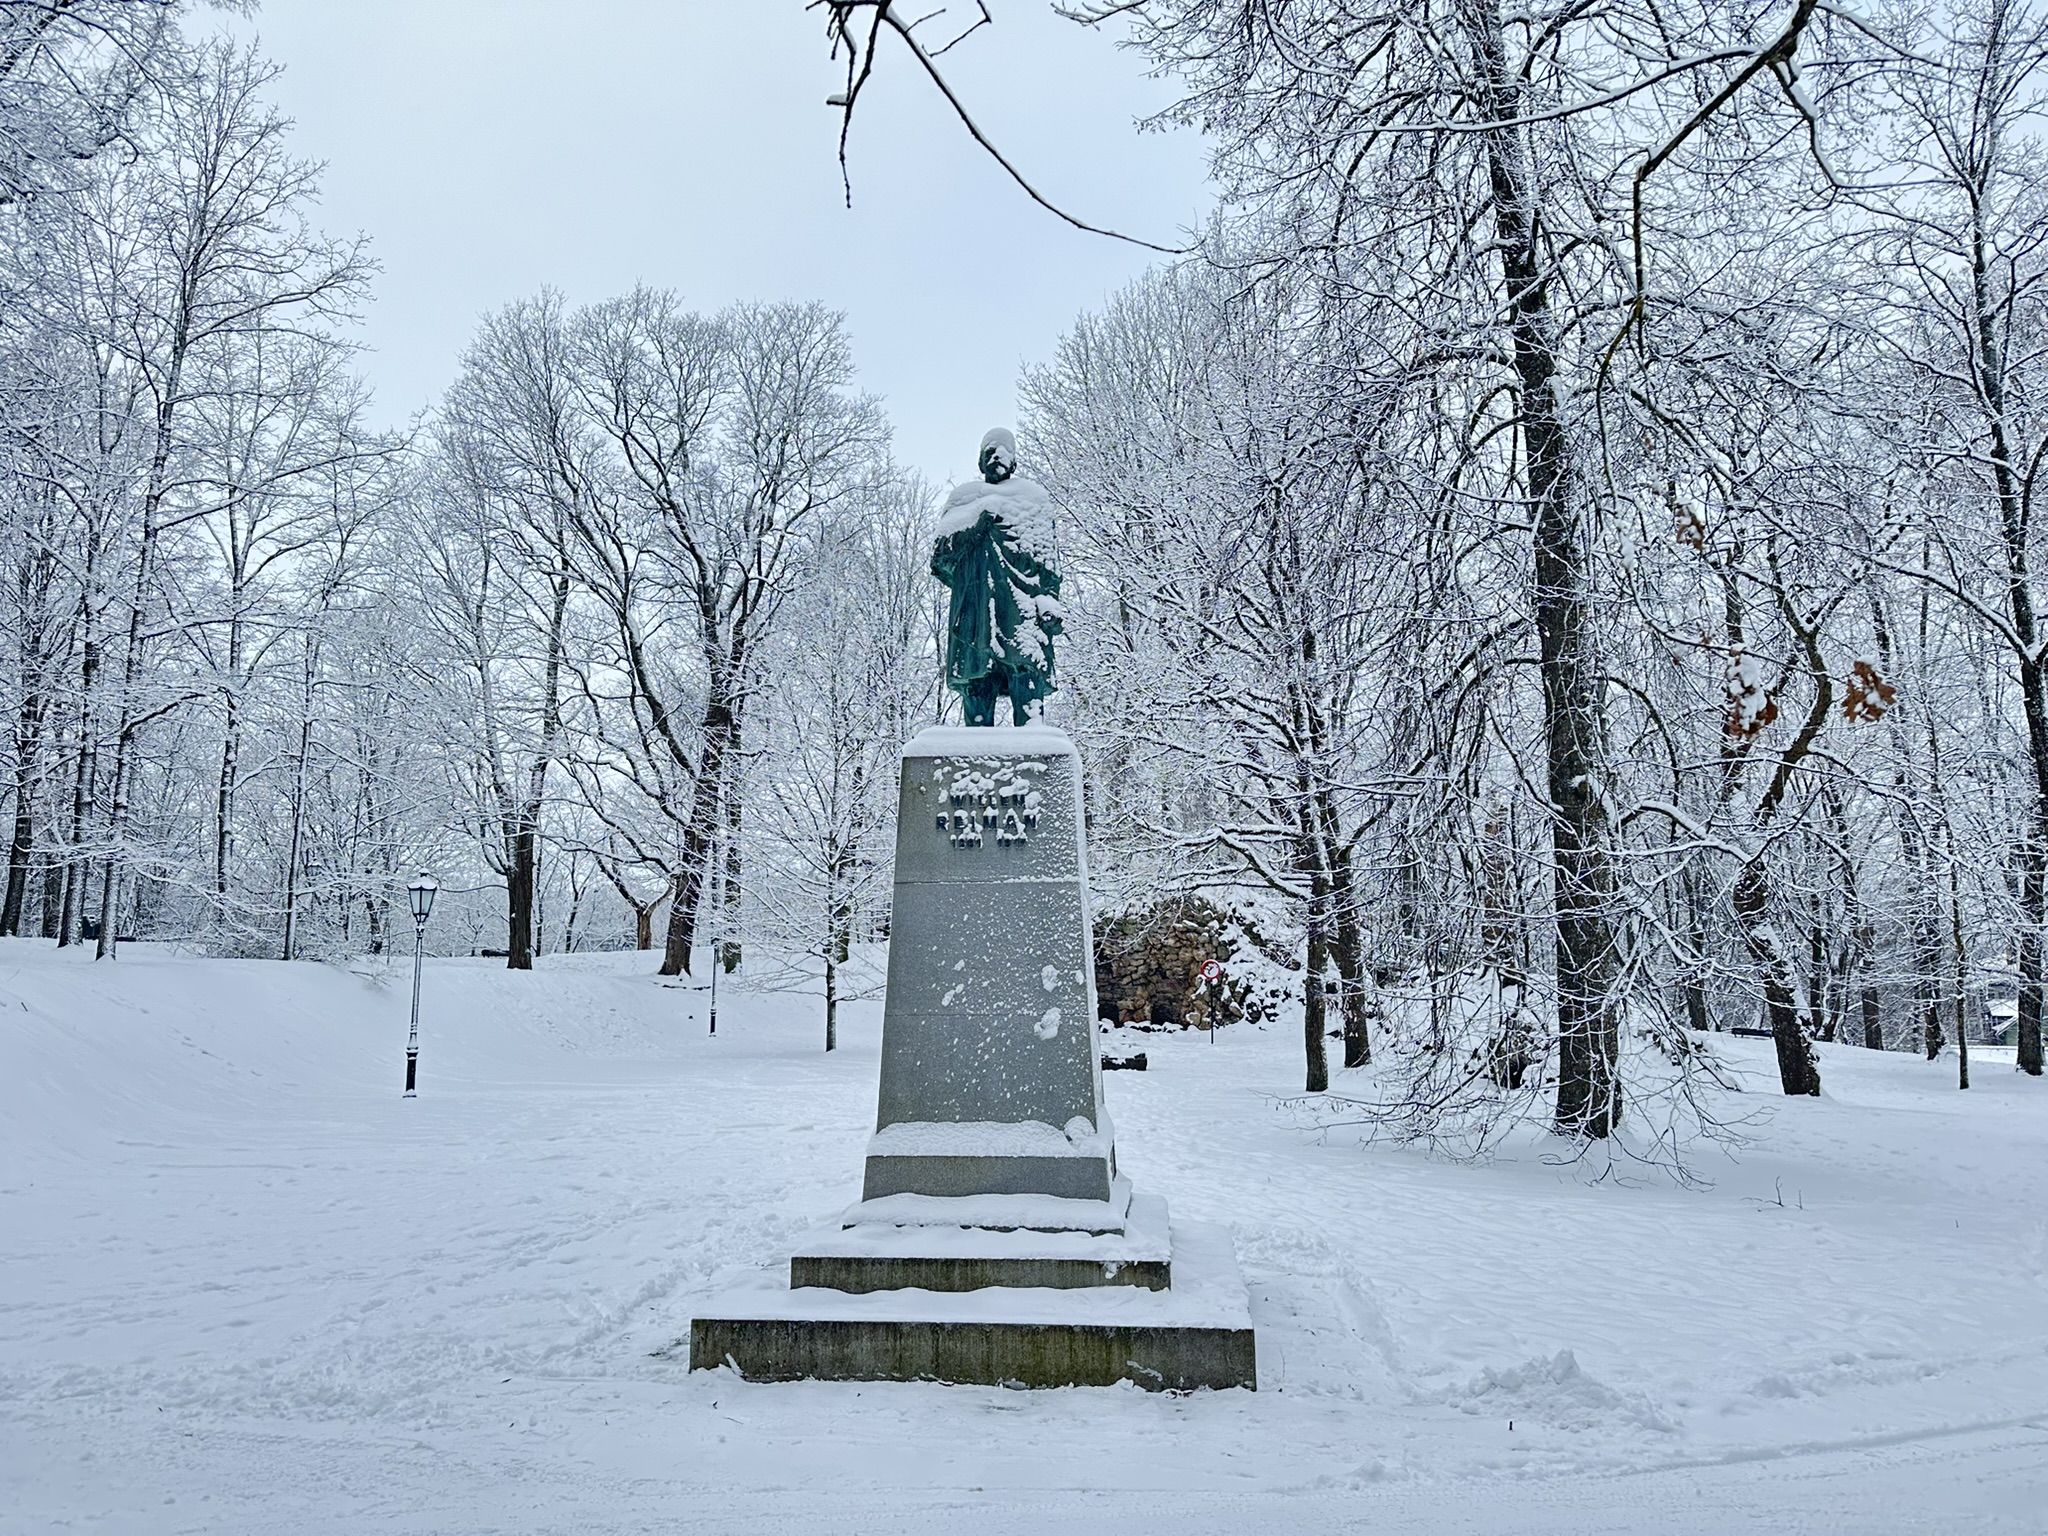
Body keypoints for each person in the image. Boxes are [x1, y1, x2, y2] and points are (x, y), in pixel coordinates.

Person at [930, 428, 1064, 726]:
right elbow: (940, 558)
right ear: (980, 460)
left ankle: (1033, 746)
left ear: (1014, 461)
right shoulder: (964, 498)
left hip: (1022, 613)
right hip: (974, 612)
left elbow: (1049, 567)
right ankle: (974, 752)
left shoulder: (1032, 499)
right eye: (990, 451)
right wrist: (975, 525)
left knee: (1027, 680)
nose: (997, 457)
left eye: (1003, 452)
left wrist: (1050, 604)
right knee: (977, 684)